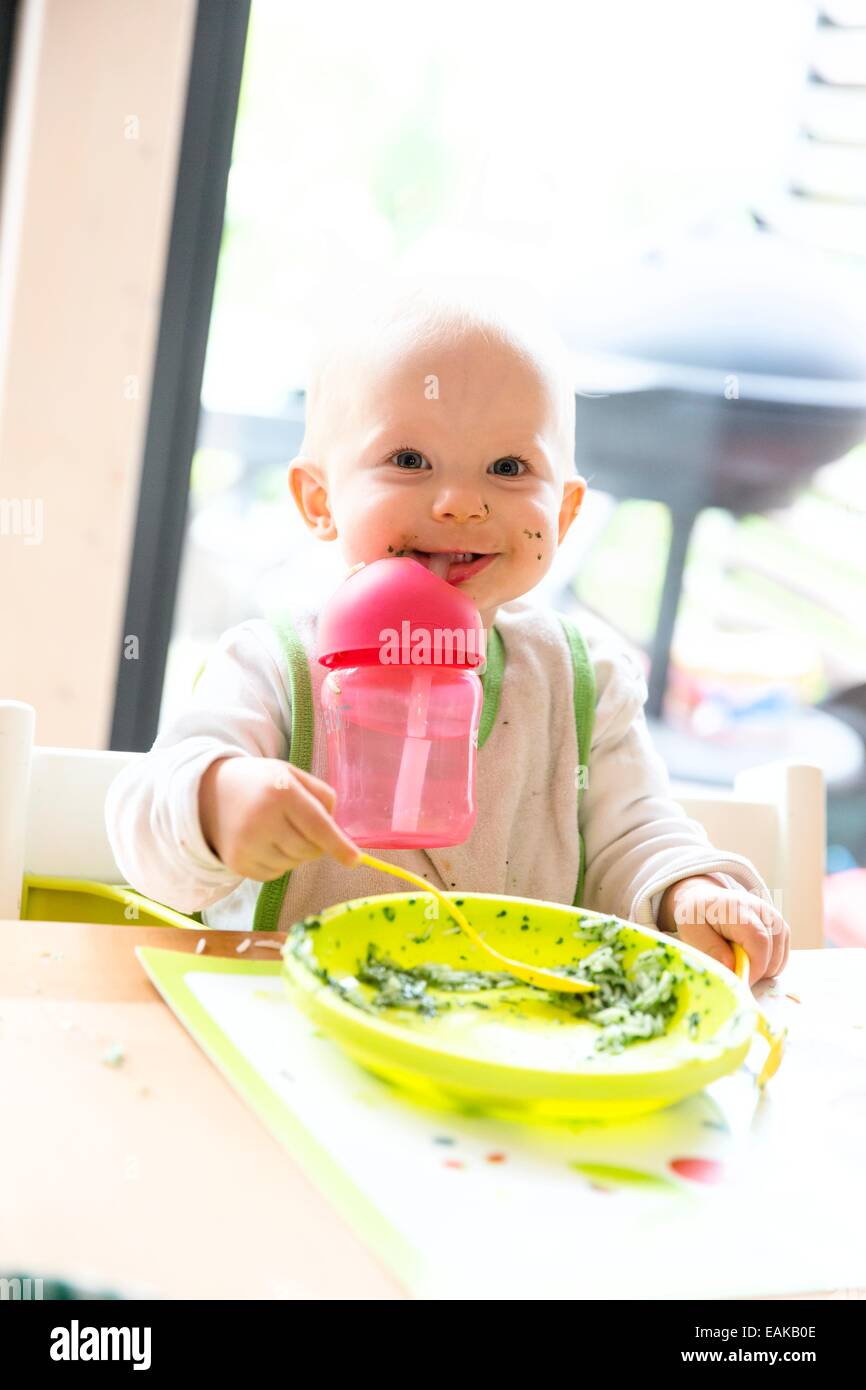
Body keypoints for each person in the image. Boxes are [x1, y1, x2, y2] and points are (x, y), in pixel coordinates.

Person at [106, 272, 789, 982]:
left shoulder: (584, 684)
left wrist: (688, 892)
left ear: (562, 513)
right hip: (295, 1031)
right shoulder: (272, 666)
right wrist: (217, 802)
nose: (461, 502)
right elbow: (145, 825)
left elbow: (634, 838)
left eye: (508, 466)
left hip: (513, 1039)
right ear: (319, 499)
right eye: (409, 461)